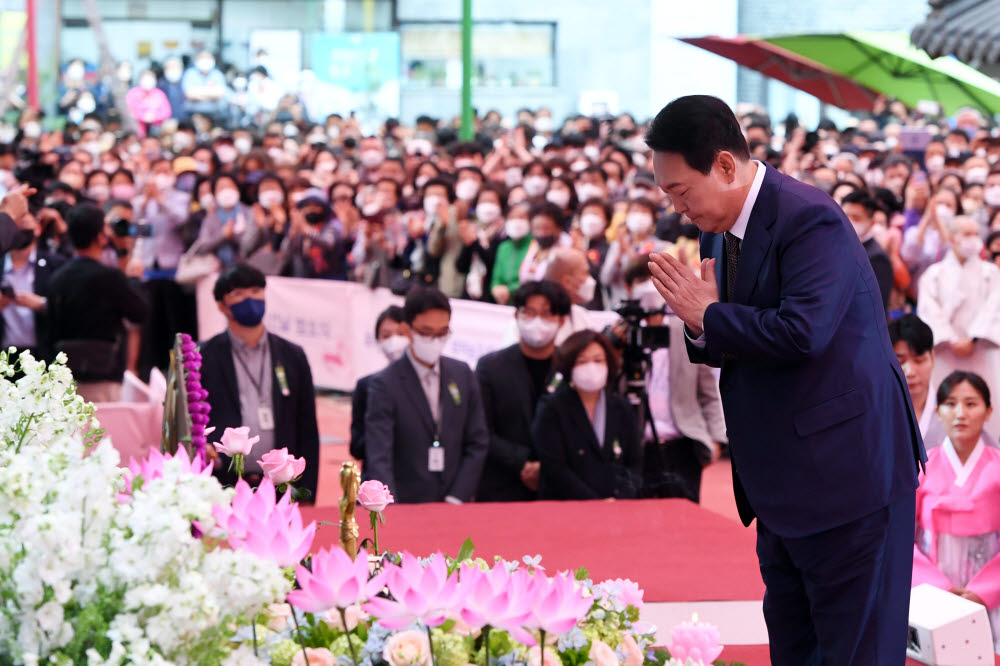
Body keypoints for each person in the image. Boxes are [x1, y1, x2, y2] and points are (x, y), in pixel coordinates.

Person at [645, 95, 924, 664]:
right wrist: (704, 329)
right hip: (781, 485)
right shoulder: (716, 230)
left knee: (856, 652)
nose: (678, 209)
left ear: (725, 166)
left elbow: (804, 333)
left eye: (681, 192)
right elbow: (737, 338)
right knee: (795, 649)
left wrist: (709, 317)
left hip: (849, 475)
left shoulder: (809, 216)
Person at [200, 264, 320, 499]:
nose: (250, 299)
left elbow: (308, 430)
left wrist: (307, 494)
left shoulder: (292, 355)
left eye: (256, 291)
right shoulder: (204, 357)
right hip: (222, 487)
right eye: (239, 293)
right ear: (222, 305)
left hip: (282, 486)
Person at [363, 286, 489, 503]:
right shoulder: (384, 383)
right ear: (407, 329)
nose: (434, 340)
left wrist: (458, 496)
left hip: (453, 500)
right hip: (405, 502)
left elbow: (477, 441)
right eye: (425, 332)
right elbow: (379, 455)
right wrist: (391, 507)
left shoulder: (462, 374)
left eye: (442, 333)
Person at [618, 259, 726, 502]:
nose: (649, 287)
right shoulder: (621, 333)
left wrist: (716, 439)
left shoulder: (688, 329)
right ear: (628, 287)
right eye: (641, 281)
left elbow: (708, 391)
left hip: (682, 446)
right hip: (633, 448)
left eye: (656, 280)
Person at [913, 371, 1000, 650]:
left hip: (991, 593)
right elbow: (899, 535)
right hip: (935, 591)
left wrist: (983, 590)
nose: (960, 413)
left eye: (971, 404)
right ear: (938, 412)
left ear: (988, 411)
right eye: (950, 404)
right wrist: (939, 587)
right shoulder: (920, 468)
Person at [475, 280, 571, 501]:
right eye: (529, 312)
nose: (537, 322)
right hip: (501, 486)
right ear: (516, 316)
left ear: (561, 320)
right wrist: (522, 462)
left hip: (559, 488)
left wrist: (546, 467)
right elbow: (480, 430)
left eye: (547, 314)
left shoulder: (570, 367)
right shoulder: (490, 367)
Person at [47, 204, 149, 403]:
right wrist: (134, 279)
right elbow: (140, 312)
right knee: (104, 432)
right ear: (100, 236)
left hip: (66, 375)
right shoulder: (110, 277)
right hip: (105, 374)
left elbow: (49, 329)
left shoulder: (57, 278)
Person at [532, 330, 642, 500]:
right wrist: (594, 503)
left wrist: (621, 497)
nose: (591, 367)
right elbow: (555, 468)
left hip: (615, 507)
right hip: (568, 507)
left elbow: (634, 462)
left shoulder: (621, 408)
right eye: (582, 361)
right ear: (569, 367)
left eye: (598, 360)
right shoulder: (552, 408)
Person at [918, 214, 1000, 440]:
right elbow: (929, 311)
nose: (973, 239)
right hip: (946, 351)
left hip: (982, 350)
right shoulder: (934, 274)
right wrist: (951, 339)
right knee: (946, 402)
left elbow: (995, 307)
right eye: (967, 234)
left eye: (976, 234)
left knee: (987, 401)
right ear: (952, 238)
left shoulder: (991, 273)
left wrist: (973, 338)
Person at [0, 207, 66, 361]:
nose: (20, 231)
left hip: (45, 356)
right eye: (15, 225)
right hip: (4, 358)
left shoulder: (55, 265)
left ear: (38, 228)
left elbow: (72, 309)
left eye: (25, 224)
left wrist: (42, 304)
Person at [349, 305, 408, 462]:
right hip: (377, 477)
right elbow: (356, 447)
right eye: (386, 335)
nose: (394, 340)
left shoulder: (429, 385)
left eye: (401, 334)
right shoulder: (366, 386)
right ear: (377, 340)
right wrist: (380, 432)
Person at [841, 189, 893, 313]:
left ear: (871, 222)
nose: (848, 222)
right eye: (844, 216)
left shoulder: (876, 257)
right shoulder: (836, 246)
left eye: (856, 218)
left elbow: (874, 306)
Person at [542, 247, 595, 344]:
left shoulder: (581, 315)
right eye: (586, 273)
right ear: (567, 282)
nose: (590, 280)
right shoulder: (537, 322)